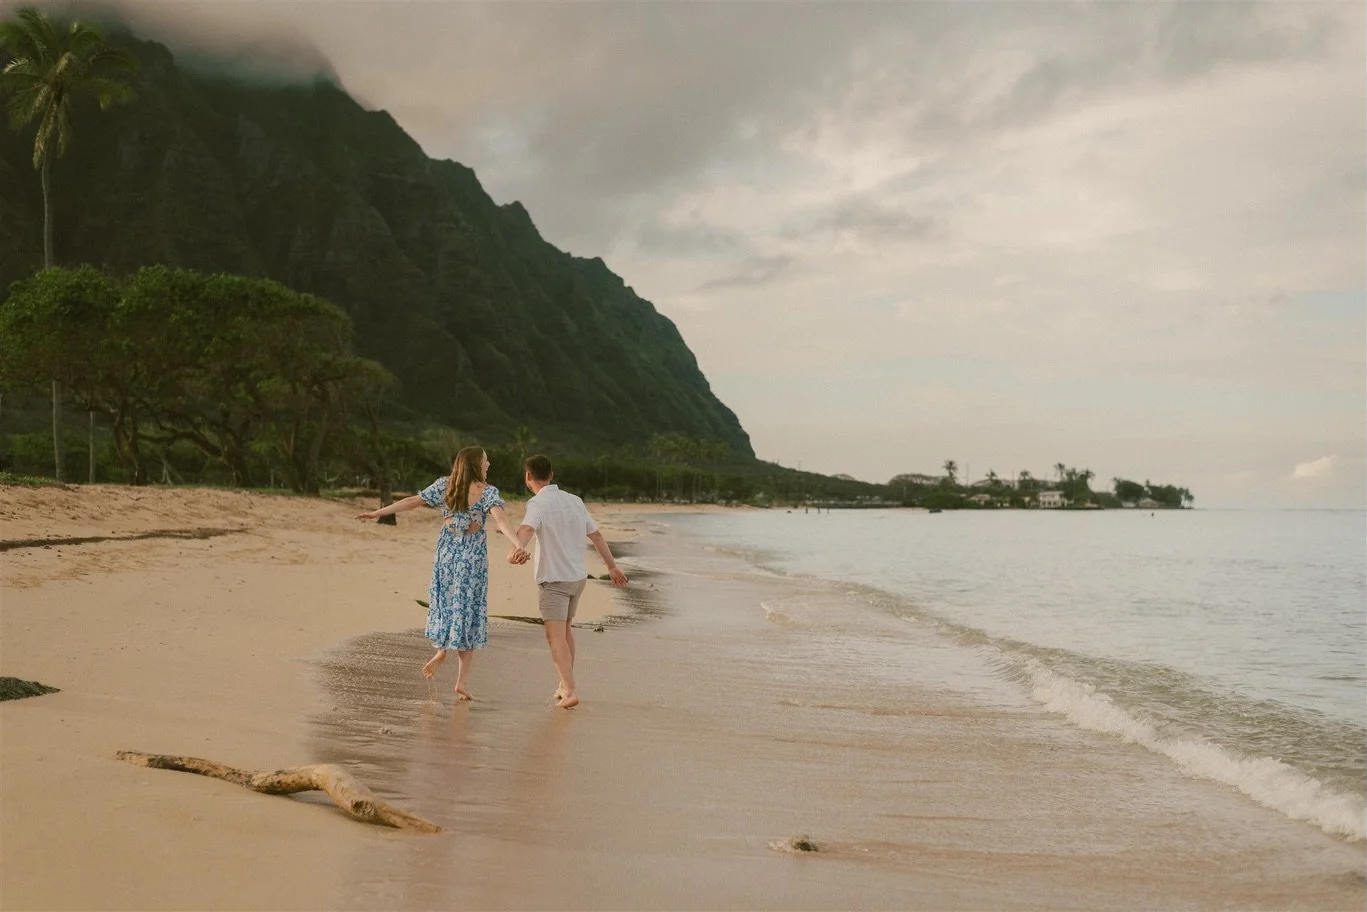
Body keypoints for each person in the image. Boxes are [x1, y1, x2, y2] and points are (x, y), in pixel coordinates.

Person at [356, 446, 524, 700]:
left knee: (445, 604)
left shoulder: (446, 486)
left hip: (447, 553)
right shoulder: (487, 492)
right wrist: (517, 543)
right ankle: (461, 682)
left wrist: (379, 512)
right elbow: (500, 520)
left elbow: (413, 501)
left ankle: (441, 651)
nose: (489, 465)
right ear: (476, 464)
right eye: (486, 461)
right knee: (468, 609)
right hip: (471, 557)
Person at [511, 454, 627, 709]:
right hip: (577, 578)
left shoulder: (537, 503)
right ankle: (565, 684)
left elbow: (527, 529)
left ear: (528, 477)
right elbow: (595, 535)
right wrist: (612, 566)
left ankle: (571, 689)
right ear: (551, 474)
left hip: (554, 580)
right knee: (565, 633)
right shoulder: (574, 501)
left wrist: (517, 549)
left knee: (555, 638)